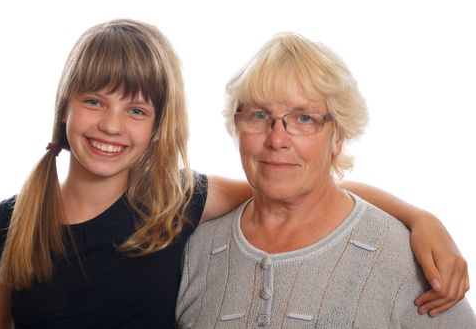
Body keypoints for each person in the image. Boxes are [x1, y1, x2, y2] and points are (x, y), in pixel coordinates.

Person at [0, 20, 467, 329]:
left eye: (137, 110)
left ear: (157, 125)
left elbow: (294, 187)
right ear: (64, 106)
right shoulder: (9, 225)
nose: (110, 124)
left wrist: (419, 217)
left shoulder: (173, 204)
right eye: (93, 101)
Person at [176, 33, 475, 328]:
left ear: (338, 138)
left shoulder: (405, 260)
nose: (277, 139)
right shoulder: (196, 251)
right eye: (258, 115)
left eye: (304, 119)